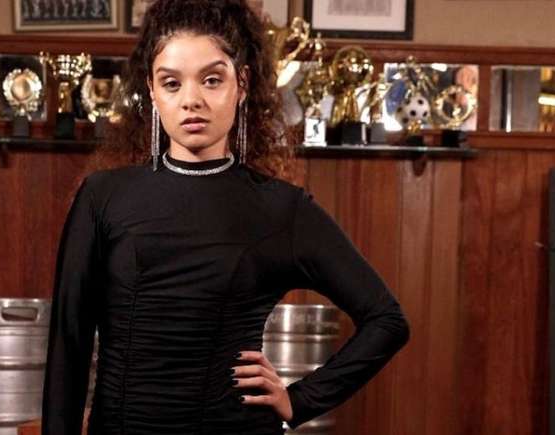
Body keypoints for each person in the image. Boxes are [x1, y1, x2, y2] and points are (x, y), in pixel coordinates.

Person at [41, 1, 410, 434]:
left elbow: (387, 321)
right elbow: (68, 343)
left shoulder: (282, 209)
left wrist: (299, 400)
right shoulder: (104, 197)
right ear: (152, 92)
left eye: (212, 80)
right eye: (172, 83)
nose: (191, 100)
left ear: (242, 84)